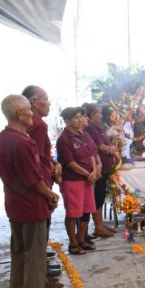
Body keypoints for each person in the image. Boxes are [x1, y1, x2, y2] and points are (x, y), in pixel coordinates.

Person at [0, 94, 62, 288]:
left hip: (15, 204)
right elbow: (33, 180)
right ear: (20, 114)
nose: (33, 114)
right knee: (34, 257)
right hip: (31, 205)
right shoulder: (21, 141)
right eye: (29, 111)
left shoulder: (2, 139)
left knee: (20, 255)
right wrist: (51, 194)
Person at [21, 85, 63, 288]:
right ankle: (41, 278)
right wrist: (47, 186)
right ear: (33, 102)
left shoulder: (34, 124)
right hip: (41, 180)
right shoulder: (37, 125)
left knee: (39, 234)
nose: (49, 103)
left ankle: (42, 270)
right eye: (46, 99)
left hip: (44, 176)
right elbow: (36, 159)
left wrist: (54, 164)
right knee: (39, 233)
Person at [57, 107, 99, 256]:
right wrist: (88, 174)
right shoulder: (64, 139)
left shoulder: (83, 135)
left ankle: (81, 239)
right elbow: (70, 163)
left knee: (86, 210)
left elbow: (92, 155)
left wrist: (94, 171)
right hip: (73, 180)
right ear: (67, 121)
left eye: (81, 116)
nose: (80, 119)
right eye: (76, 117)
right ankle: (73, 243)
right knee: (73, 213)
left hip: (88, 179)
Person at [83, 103, 119, 238]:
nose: (101, 115)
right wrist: (112, 151)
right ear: (92, 115)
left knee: (101, 196)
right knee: (97, 197)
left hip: (104, 167)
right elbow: (100, 147)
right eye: (99, 112)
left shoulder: (98, 128)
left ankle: (101, 224)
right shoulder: (91, 128)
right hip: (98, 168)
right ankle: (98, 227)